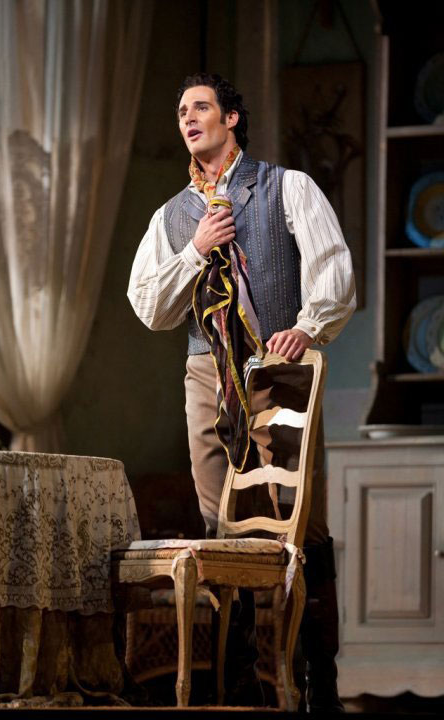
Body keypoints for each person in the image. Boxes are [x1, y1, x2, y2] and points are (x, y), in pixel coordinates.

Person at [128, 73, 356, 711]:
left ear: (231, 119)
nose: (188, 118)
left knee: (300, 524)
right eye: (181, 111)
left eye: (200, 107)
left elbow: (332, 270)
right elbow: (150, 307)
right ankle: (240, 684)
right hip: (208, 375)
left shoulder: (286, 186)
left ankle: (319, 679)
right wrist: (195, 250)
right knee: (221, 524)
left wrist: (306, 328)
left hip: (278, 369)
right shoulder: (174, 216)